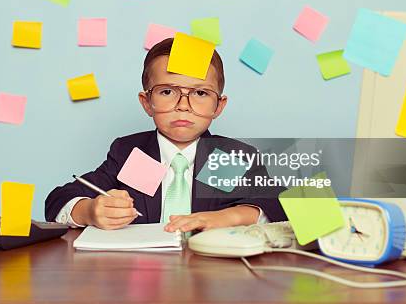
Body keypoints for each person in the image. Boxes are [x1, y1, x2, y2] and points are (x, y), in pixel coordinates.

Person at [45, 38, 286, 232]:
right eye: (168, 91)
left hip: (214, 276)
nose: (183, 105)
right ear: (146, 102)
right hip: (141, 275)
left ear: (218, 106)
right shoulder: (131, 153)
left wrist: (228, 217)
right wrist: (90, 211)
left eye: (200, 93)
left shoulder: (231, 157)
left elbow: (277, 205)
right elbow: (57, 200)